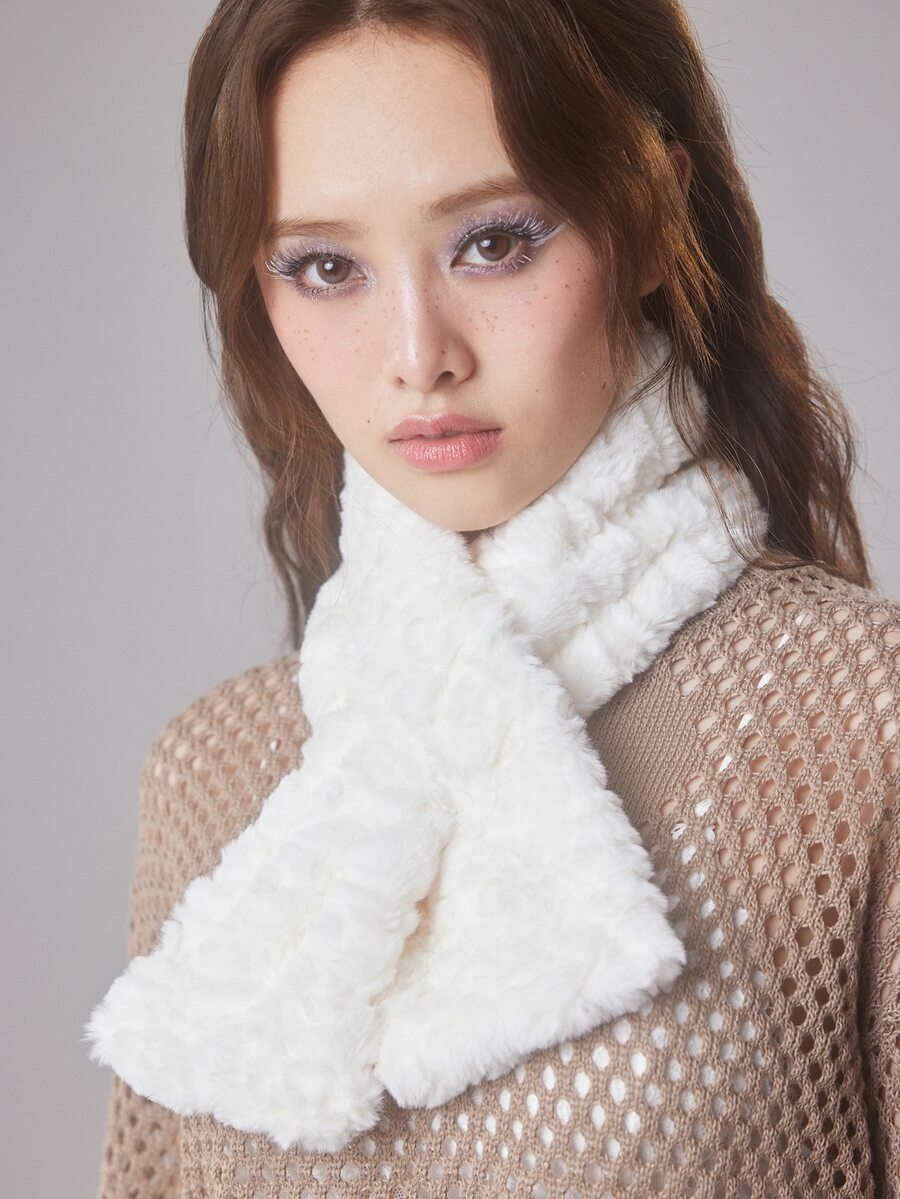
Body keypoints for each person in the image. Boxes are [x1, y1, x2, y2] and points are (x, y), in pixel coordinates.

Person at [85, 2, 899, 1197]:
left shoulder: (864, 730)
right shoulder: (212, 770)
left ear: (652, 217)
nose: (419, 355)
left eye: (496, 241)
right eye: (326, 267)